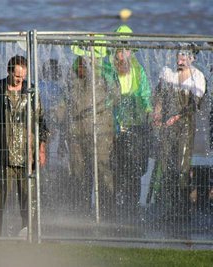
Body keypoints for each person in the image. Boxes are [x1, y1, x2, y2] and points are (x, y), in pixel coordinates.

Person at [0, 55, 49, 236]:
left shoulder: (31, 93)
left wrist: (41, 149)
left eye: (23, 76)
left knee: (28, 198)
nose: (21, 80)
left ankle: (31, 234)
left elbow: (42, 122)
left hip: (28, 155)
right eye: (17, 76)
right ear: (9, 71)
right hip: (1, 154)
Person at [151, 46, 206, 234]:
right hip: (168, 128)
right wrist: (157, 112)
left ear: (192, 59)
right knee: (166, 168)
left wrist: (177, 117)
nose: (180, 59)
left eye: (184, 56)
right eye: (179, 55)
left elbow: (194, 106)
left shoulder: (197, 78)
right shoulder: (167, 74)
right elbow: (158, 95)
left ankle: (182, 211)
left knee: (182, 169)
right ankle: (169, 209)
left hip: (185, 128)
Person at [102, 25, 152, 223]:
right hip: (113, 128)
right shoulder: (107, 68)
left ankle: (132, 207)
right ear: (115, 51)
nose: (124, 54)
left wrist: (148, 110)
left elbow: (145, 93)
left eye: (127, 49)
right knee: (115, 167)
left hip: (136, 126)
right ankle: (113, 208)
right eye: (120, 50)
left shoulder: (138, 69)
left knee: (134, 168)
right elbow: (104, 96)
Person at [65, 55, 116, 220]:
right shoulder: (72, 82)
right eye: (79, 66)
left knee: (102, 169)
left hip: (100, 132)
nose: (81, 69)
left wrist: (100, 108)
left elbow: (116, 96)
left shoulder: (103, 76)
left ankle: (107, 210)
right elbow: (64, 102)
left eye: (84, 66)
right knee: (79, 171)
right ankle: (82, 210)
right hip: (77, 133)